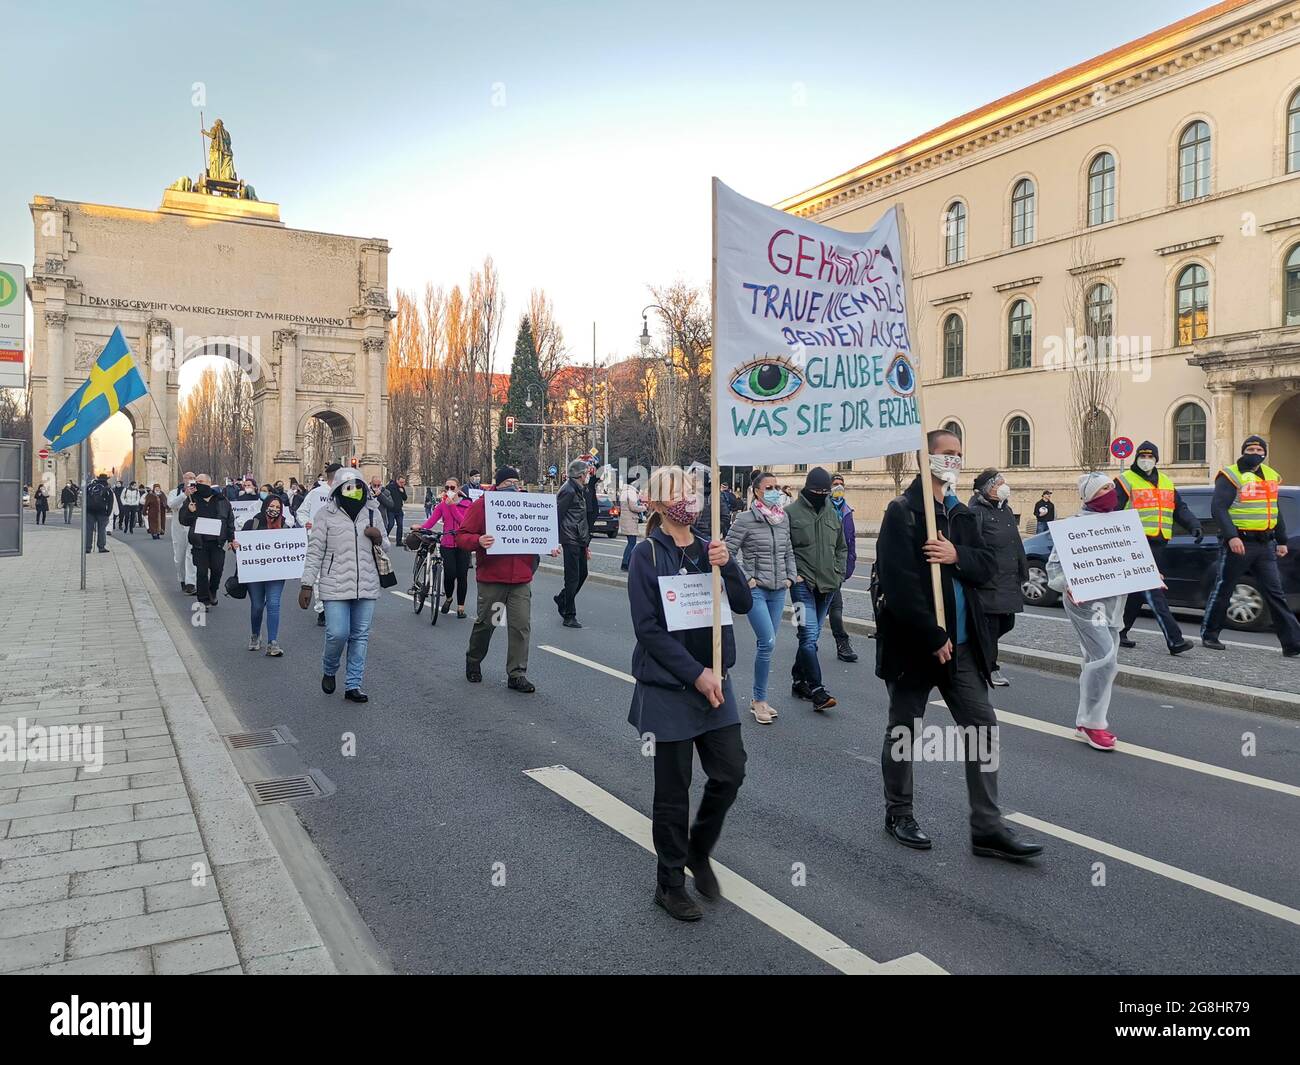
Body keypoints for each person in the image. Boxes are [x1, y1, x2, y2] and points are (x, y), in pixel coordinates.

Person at [875, 428, 1043, 861]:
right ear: (924, 457)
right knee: (904, 730)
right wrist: (932, 634)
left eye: (958, 454)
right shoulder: (904, 512)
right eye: (945, 453)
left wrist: (956, 556)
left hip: (964, 648)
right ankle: (899, 813)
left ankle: (986, 826)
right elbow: (899, 585)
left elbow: (987, 566)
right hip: (918, 647)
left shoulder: (962, 514)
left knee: (982, 727)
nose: (953, 459)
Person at [627, 465, 752, 921]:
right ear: (659, 504)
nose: (691, 498)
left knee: (730, 772)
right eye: (680, 491)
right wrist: (695, 673)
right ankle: (670, 881)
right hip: (672, 688)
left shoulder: (708, 548)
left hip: (717, 682)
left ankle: (699, 849)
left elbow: (741, 604)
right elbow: (648, 630)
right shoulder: (647, 554)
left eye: (694, 490)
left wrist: (729, 564)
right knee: (673, 790)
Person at [456, 465, 560, 692]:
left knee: (520, 626)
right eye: (508, 484)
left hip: (521, 579)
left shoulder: (528, 504)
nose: (513, 487)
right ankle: (473, 660)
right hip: (493, 579)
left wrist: (549, 545)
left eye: (516, 483)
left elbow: (539, 532)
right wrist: (478, 541)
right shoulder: (484, 504)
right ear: (498, 484)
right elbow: (462, 537)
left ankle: (517, 673)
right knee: (488, 624)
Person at [1048, 472, 1128, 751]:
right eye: (1104, 488)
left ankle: (1086, 721)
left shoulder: (1121, 523)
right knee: (1104, 660)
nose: (1111, 491)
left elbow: (1129, 559)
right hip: (1085, 604)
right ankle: (1093, 725)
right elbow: (1054, 570)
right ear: (1091, 495)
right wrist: (1067, 584)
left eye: (1111, 487)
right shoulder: (1075, 526)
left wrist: (1151, 575)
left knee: (1098, 659)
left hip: (1114, 603)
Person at [1201, 435, 1300, 655]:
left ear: (1264, 453)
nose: (1255, 453)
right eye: (1251, 449)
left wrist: (1281, 540)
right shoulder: (1231, 475)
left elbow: (1274, 510)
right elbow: (1218, 508)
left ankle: (1292, 643)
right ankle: (1210, 633)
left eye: (1259, 449)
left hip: (1265, 544)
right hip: (1240, 542)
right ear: (1243, 451)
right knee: (1224, 588)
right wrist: (1231, 536)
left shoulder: (1271, 476)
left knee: (1275, 593)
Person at [299, 468, 381, 700]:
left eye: (357, 487)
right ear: (337, 490)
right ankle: (329, 668)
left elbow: (384, 545)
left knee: (360, 635)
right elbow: (315, 551)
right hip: (334, 583)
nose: (353, 491)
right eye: (348, 487)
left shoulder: (373, 513)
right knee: (337, 633)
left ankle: (353, 684)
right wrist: (306, 584)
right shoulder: (325, 515)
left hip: (366, 582)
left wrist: (378, 538)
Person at [1111, 442, 1199, 655]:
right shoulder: (1125, 481)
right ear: (1136, 458)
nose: (1146, 459)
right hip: (1135, 544)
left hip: (1159, 543)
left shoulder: (1167, 482)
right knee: (1153, 590)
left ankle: (1120, 632)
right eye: (1142, 455)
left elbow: (1180, 509)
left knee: (1136, 592)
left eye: (1150, 456)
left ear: (1156, 459)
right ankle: (1175, 640)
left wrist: (1193, 524)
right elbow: (1113, 511)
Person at [725, 471, 796, 725]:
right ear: (756, 491)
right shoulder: (745, 519)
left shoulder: (782, 518)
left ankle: (759, 698)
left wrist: (790, 577)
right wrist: (747, 578)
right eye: (769, 487)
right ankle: (759, 700)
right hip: (756, 590)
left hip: (779, 590)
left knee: (768, 643)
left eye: (777, 486)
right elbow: (728, 553)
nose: (775, 491)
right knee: (766, 641)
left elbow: (788, 550)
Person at [786, 467, 846, 713]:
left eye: (826, 491)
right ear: (807, 489)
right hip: (803, 586)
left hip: (828, 586)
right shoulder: (790, 513)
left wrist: (839, 572)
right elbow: (783, 548)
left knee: (810, 638)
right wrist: (794, 575)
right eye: (818, 491)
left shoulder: (833, 512)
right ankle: (818, 691)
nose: (822, 494)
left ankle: (799, 680)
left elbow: (842, 547)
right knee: (809, 637)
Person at [968, 468, 1028, 687]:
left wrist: (1023, 570)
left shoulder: (1006, 510)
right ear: (986, 489)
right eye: (998, 483)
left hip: (1008, 578)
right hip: (989, 580)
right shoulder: (976, 511)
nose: (1004, 486)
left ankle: (977, 653)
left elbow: (1015, 542)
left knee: (1007, 623)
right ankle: (990, 669)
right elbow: (973, 546)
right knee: (990, 627)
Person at [233, 494, 289, 657]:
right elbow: (240, 546)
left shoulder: (285, 527)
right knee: (257, 606)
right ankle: (255, 634)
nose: (274, 510)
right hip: (255, 574)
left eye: (278, 508)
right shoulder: (252, 524)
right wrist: (236, 545)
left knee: (273, 604)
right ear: (265, 506)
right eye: (272, 506)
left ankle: (273, 642)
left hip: (276, 574)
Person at [178, 475, 235, 607]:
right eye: (196, 482)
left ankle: (212, 590)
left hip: (217, 543)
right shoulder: (192, 499)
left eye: (201, 482)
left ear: (209, 483)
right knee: (202, 572)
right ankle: (203, 600)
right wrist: (189, 511)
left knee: (217, 570)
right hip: (199, 543)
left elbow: (229, 521)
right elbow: (183, 521)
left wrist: (231, 539)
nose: (198, 484)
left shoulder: (222, 500)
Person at [299, 463, 343, 628]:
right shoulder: (316, 493)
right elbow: (302, 512)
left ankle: (336, 606)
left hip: (339, 539)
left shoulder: (347, 493)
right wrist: (307, 522)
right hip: (318, 538)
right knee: (318, 577)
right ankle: (322, 610)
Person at [423, 477, 473, 617]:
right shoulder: (442, 505)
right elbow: (432, 521)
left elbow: (464, 523)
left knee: (462, 575)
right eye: (447, 488)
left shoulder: (467, 504)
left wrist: (452, 506)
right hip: (448, 543)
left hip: (463, 543)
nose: (449, 490)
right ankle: (449, 598)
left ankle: (461, 607)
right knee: (450, 574)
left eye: (452, 488)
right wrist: (421, 528)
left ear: (458, 489)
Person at [554, 458, 592, 629]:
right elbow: (557, 515)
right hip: (571, 539)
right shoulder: (568, 490)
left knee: (582, 574)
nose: (588, 476)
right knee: (572, 578)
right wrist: (555, 541)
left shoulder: (578, 489)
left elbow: (581, 517)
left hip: (579, 538)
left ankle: (563, 599)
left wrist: (586, 543)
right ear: (580, 475)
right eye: (587, 473)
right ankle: (569, 615)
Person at [826, 473, 859, 664]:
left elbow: (851, 540)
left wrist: (850, 564)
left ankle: (842, 644)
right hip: (820, 568)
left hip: (837, 571)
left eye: (841, 484)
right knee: (813, 611)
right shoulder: (822, 508)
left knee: (836, 607)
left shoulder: (846, 510)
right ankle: (805, 640)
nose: (839, 487)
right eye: (835, 484)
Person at [167, 474, 199, 593]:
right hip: (178, 527)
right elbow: (171, 505)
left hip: (192, 527)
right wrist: (184, 495)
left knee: (190, 555)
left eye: (192, 478)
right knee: (179, 557)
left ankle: (190, 582)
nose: (190, 480)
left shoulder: (197, 492)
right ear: (183, 479)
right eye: (187, 478)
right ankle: (182, 578)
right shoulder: (174, 492)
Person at [618, 472, 645, 571]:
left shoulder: (625, 491)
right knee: (631, 543)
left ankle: (627, 563)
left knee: (631, 542)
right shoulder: (631, 492)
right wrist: (643, 507)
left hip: (626, 518)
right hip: (630, 519)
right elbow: (633, 507)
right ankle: (626, 563)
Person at [84, 473, 114, 553]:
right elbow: (111, 502)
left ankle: (87, 547)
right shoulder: (107, 488)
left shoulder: (90, 487)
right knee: (102, 529)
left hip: (90, 511)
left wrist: (86, 509)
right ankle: (101, 547)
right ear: (106, 480)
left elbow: (84, 498)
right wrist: (108, 513)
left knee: (89, 530)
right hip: (102, 512)